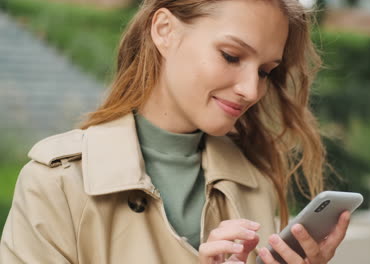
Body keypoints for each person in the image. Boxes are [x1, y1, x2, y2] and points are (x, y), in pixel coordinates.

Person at [0, 0, 351, 263]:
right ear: (164, 31)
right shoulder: (56, 184)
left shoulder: (253, 181)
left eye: (264, 71)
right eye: (231, 56)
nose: (251, 89)